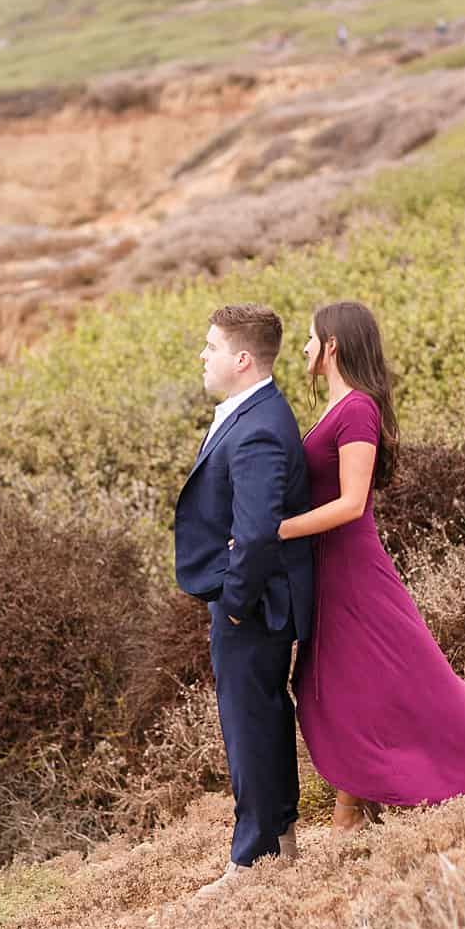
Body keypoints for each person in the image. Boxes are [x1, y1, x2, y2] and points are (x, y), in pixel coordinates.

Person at [280, 300, 465, 830]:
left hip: (353, 570)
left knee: (388, 679)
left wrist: (277, 530)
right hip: (328, 569)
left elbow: (351, 502)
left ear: (333, 344)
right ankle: (356, 802)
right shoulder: (333, 407)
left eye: (310, 337)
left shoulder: (358, 408)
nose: (304, 346)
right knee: (346, 686)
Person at [173, 303, 315, 895]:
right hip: (254, 600)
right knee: (264, 715)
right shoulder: (250, 410)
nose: (202, 357)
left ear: (242, 358)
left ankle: (252, 858)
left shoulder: (257, 427)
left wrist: (233, 601)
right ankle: (280, 839)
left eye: (211, 346)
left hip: (254, 606)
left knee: (248, 722)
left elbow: (258, 530)